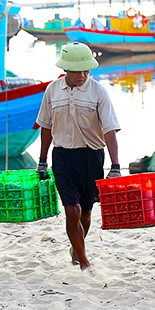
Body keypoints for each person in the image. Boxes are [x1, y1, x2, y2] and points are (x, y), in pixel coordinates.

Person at [35, 42, 121, 271]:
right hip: (62, 157)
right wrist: (42, 161)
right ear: (65, 70)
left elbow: (109, 129)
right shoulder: (52, 90)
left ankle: (77, 246)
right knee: (72, 209)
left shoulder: (98, 92)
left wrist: (115, 165)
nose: (82, 75)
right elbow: (45, 126)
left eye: (86, 70)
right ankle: (84, 262)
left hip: (92, 156)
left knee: (86, 211)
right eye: (77, 71)